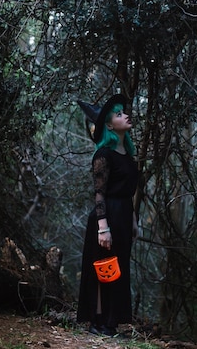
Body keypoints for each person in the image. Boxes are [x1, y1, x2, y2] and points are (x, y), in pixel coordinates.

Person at [76, 94, 139, 336]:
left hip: (123, 215)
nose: (126, 115)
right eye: (119, 114)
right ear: (110, 126)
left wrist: (133, 221)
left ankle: (111, 322)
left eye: (124, 112)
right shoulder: (103, 154)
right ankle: (97, 321)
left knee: (119, 268)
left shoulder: (127, 154)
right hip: (107, 217)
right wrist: (103, 227)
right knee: (104, 268)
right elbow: (99, 193)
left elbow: (128, 192)